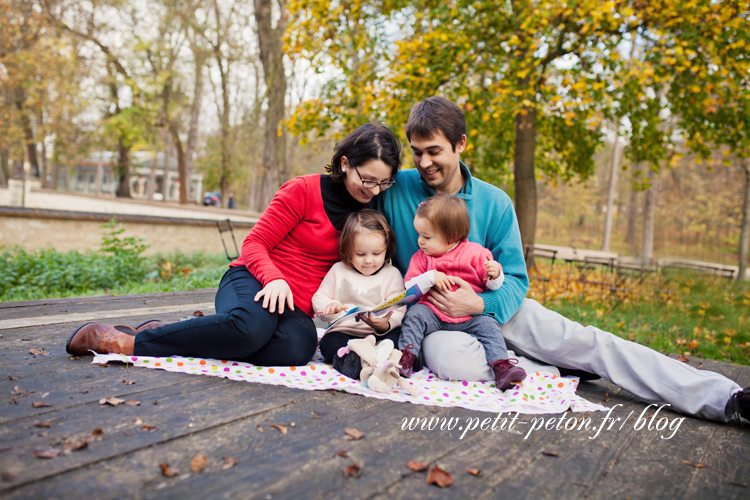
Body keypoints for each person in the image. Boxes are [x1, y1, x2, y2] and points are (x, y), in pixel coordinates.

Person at [372, 96, 750, 423]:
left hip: (493, 310)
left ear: (460, 144)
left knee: (591, 342)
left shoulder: (495, 202)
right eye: (417, 152)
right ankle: (554, 369)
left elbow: (516, 279)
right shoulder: (396, 188)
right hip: (434, 321)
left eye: (434, 151)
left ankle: (726, 400)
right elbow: (352, 200)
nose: (423, 162)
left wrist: (481, 302)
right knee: (450, 362)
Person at [66, 124, 402, 366]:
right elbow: (254, 243)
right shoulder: (302, 190)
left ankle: (185, 332)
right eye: (367, 179)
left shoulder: (369, 211)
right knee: (249, 329)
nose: (373, 190)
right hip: (253, 281)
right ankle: (125, 341)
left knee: (296, 351)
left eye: (383, 183)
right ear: (345, 164)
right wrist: (274, 278)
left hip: (294, 310)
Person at [396, 194, 526, 391]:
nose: (420, 241)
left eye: (427, 236)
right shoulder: (422, 258)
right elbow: (410, 288)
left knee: (490, 326)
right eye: (419, 235)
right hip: (434, 314)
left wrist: (495, 276)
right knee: (414, 315)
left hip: (470, 316)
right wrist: (430, 277)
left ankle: (501, 366)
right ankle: (406, 358)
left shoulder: (476, 254)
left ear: (452, 235)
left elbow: (493, 287)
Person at [312, 209, 405, 379]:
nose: (369, 260)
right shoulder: (338, 270)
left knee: (397, 338)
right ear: (347, 251)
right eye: (360, 254)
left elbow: (399, 310)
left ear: (386, 248)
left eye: (376, 253)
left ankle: (386, 360)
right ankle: (355, 360)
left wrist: (385, 324)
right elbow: (318, 298)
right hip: (345, 332)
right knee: (328, 343)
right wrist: (328, 307)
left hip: (378, 334)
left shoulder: (392, 274)